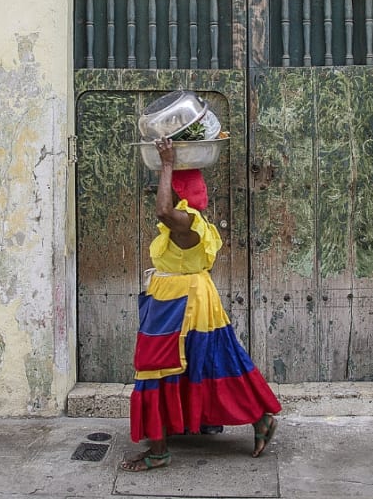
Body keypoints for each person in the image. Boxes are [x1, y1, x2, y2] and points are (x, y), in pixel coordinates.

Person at [120, 137, 281, 472]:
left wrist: (166, 164)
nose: (161, 193)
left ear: (180, 198)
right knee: (210, 362)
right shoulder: (193, 223)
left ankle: (159, 451)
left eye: (169, 189)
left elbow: (163, 209)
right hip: (186, 300)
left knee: (155, 367)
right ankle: (259, 418)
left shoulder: (187, 225)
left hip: (178, 306)